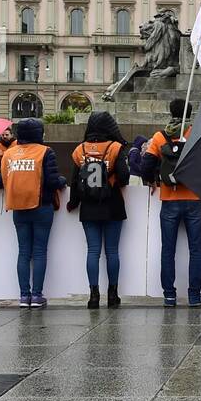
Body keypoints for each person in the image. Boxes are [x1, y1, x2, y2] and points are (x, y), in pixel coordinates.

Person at [140, 99, 201, 308]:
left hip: (169, 199)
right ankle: (194, 296)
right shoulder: (195, 133)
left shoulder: (160, 136)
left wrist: (151, 180)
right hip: (194, 198)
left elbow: (146, 164)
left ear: (170, 111)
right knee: (196, 250)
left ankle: (169, 295)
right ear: (190, 111)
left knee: (168, 250)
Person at [0, 117, 65, 308]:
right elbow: (52, 180)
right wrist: (61, 181)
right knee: (40, 251)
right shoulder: (45, 152)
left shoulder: (9, 154)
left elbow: (0, 179)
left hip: (18, 207)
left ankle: (23, 296)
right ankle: (36, 295)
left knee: (24, 252)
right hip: (42, 206)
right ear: (38, 134)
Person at [67, 111, 131, 309]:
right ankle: (113, 294)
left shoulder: (80, 150)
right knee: (112, 251)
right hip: (112, 203)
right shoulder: (115, 147)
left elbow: (74, 180)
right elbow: (124, 176)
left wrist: (73, 203)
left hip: (88, 206)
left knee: (93, 251)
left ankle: (93, 295)